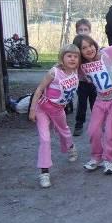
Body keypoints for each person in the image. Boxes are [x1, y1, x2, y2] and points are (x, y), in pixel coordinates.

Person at [73, 25, 112, 175]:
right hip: (100, 100)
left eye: (90, 45)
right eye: (84, 48)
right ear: (79, 52)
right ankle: (96, 158)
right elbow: (67, 67)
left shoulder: (106, 53)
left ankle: (108, 160)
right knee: (93, 130)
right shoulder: (81, 67)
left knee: (111, 132)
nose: (89, 49)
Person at [28, 44, 80, 188]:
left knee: (64, 131)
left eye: (76, 56)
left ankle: (70, 146)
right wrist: (32, 109)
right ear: (62, 57)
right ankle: (44, 173)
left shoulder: (76, 71)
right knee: (45, 139)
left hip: (58, 110)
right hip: (42, 109)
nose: (72, 59)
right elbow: (39, 89)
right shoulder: (54, 72)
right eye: (69, 56)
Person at [72, 19, 97, 136]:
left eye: (85, 29)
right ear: (77, 31)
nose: (83, 32)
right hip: (81, 82)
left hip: (94, 81)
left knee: (95, 103)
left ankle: (98, 123)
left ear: (89, 31)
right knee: (81, 103)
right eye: (80, 30)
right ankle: (79, 124)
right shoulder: (75, 46)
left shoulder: (92, 45)